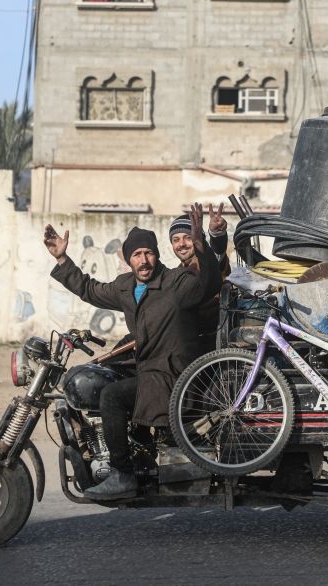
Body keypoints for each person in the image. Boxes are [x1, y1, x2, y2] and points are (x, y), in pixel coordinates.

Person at [44, 204, 221, 500]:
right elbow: (90, 289)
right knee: (106, 375)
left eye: (149, 253)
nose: (144, 260)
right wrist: (62, 258)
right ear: (129, 259)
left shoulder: (176, 283)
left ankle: (122, 474)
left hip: (171, 374)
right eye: (137, 254)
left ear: (157, 255)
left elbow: (208, 283)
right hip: (148, 369)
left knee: (112, 396)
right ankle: (136, 449)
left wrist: (201, 243)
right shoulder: (125, 286)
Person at [168, 204, 231, 354]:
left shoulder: (206, 261)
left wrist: (217, 235)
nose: (181, 244)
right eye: (176, 240)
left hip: (207, 342)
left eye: (188, 238)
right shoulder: (178, 271)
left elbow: (217, 255)